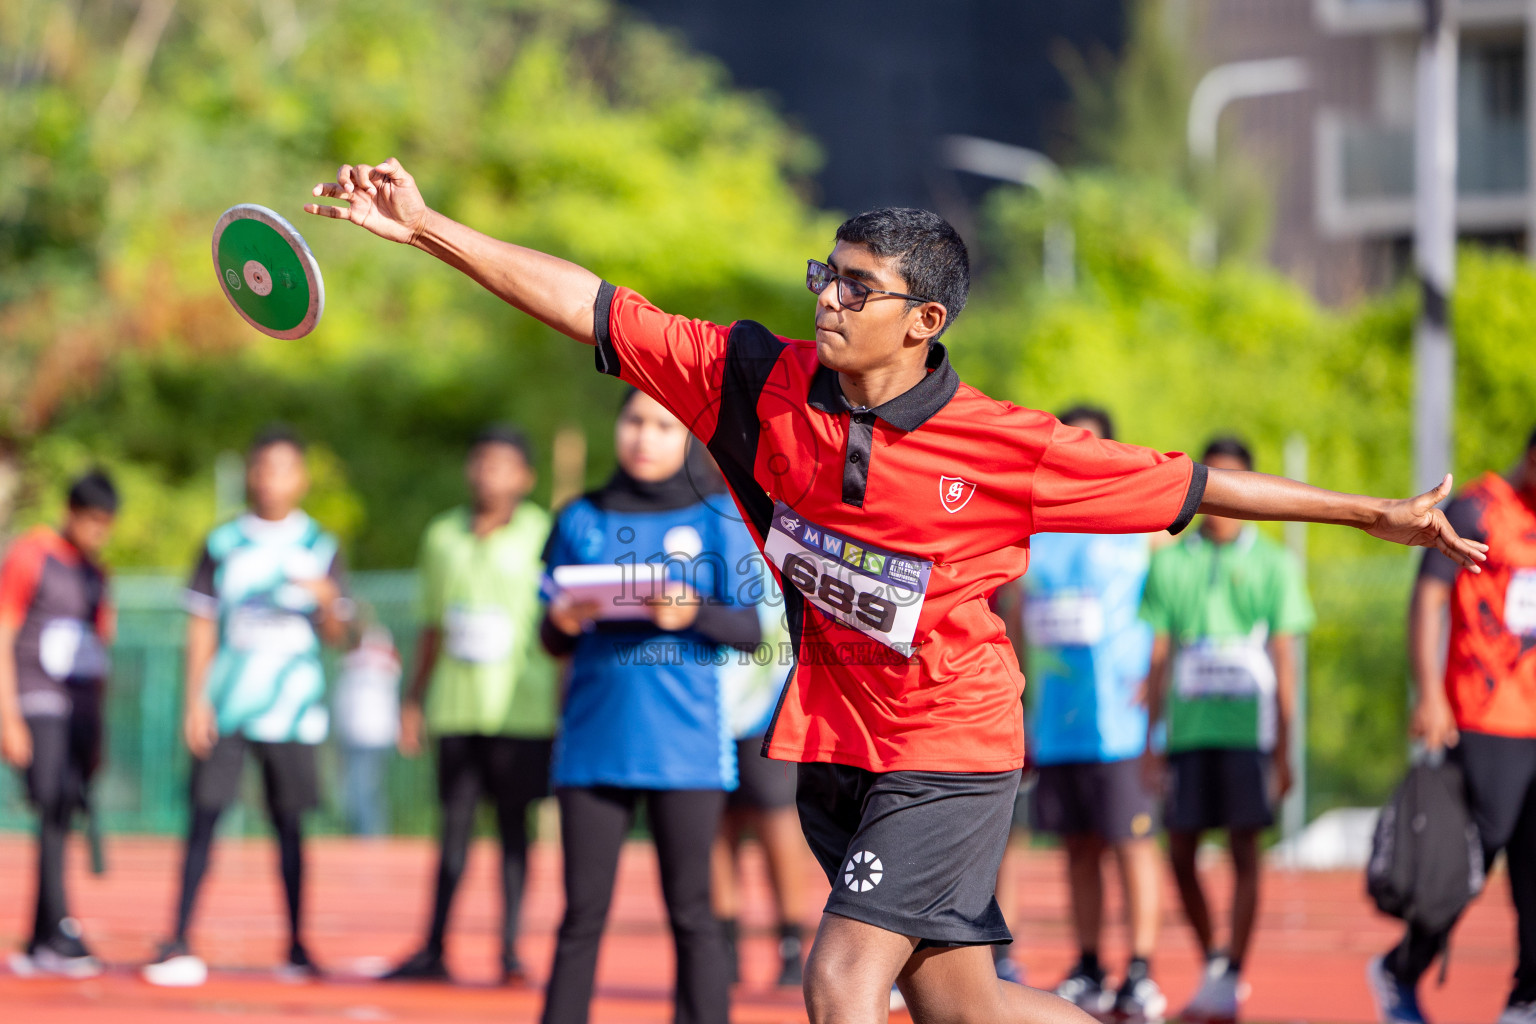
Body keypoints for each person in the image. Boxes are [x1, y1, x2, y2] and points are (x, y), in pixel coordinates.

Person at [305, 158, 1484, 1024]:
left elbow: (1197, 487)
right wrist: (426, 229)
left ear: (923, 322)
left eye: (857, 288)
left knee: (838, 984)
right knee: (966, 1006)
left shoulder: (1005, 445)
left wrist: (1373, 513)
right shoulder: (753, 382)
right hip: (835, 747)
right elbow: (590, 305)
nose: (828, 298)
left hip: (951, 743)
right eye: (827, 273)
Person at [537, 388, 762, 1024]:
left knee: (693, 912)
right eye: (634, 421)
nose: (644, 436)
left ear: (685, 438)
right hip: (591, 744)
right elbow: (549, 639)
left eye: (663, 426)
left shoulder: (720, 518)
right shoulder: (578, 518)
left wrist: (690, 611)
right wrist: (562, 618)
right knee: (581, 913)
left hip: (686, 747)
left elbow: (749, 632)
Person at [143, 426, 350, 987]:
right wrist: (195, 701)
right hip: (228, 707)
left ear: (301, 478)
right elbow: (202, 625)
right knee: (204, 819)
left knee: (290, 828)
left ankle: (297, 945)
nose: (271, 480)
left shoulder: (320, 547)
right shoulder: (221, 544)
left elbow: (339, 635)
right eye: (262, 468)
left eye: (283, 469)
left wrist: (331, 604)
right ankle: (179, 936)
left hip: (293, 713)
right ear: (250, 474)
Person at [1139, 437, 1313, 1023]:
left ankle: (1232, 972)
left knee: (1244, 850)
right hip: (1188, 734)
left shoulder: (1274, 564)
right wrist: (1149, 742)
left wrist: (1286, 750)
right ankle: (1215, 959)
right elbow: (1159, 654)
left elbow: (1286, 659)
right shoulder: (1171, 561)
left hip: (1248, 734)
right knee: (1181, 851)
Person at [1368, 427, 1536, 1024]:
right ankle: (1401, 968)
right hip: (1488, 720)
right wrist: (1430, 694)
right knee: (1466, 863)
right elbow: (1429, 598)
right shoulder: (1477, 507)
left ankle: (1526, 997)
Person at [384, 424, 557, 985]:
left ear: (525, 477)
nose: (489, 474)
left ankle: (509, 949)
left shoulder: (544, 533)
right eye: (480, 462)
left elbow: (562, 622)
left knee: (514, 832)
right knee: (453, 832)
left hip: (521, 709)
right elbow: (432, 626)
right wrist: (412, 700)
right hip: (455, 707)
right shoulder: (441, 536)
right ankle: (434, 946)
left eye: (503, 465)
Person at [1013, 406, 1165, 1022]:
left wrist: (1155, 686)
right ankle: (1089, 962)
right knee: (1076, 847)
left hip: (1121, 724)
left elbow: (1168, 609)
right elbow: (1021, 619)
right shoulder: (1037, 530)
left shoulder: (1140, 523)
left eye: (1089, 445)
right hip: (1058, 720)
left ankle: (1142, 969)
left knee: (1131, 844)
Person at [0, 469, 119, 978]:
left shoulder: (97, 574)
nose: (98, 532)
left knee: (63, 807)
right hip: (36, 699)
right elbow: (2, 633)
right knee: (50, 801)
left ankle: (39, 937)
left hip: (79, 710)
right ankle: (58, 930)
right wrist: (8, 718)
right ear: (71, 513)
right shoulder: (32, 556)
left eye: (106, 524)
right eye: (91, 521)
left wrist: (100, 727)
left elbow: (99, 653)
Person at [712, 569, 808, 989]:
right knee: (714, 823)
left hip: (767, 700)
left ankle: (790, 944)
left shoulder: (773, 518)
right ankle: (726, 948)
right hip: (705, 704)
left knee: (776, 818)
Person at [333, 616, 401, 837]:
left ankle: (368, 837)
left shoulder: (359, 661)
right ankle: (368, 835)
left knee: (361, 790)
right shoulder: (380, 661)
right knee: (363, 789)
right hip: (363, 733)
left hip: (368, 733)